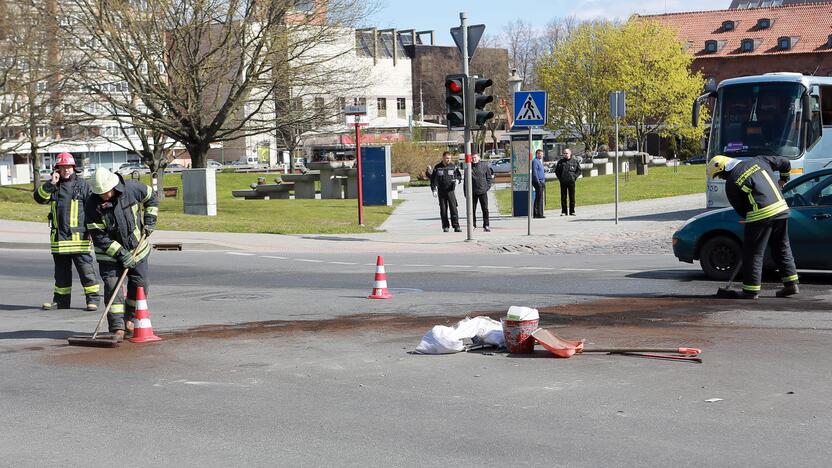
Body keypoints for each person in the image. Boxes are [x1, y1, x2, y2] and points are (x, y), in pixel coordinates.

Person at [708, 155, 798, 299]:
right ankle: (791, 284)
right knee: (782, 247)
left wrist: (750, 219)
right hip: (781, 210)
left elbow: (740, 208)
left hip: (760, 215)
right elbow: (785, 162)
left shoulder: (732, 182)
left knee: (753, 253)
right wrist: (783, 179)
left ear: (724, 168)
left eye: (720, 175)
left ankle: (750, 290)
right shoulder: (760, 160)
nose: (722, 178)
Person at [86, 168, 159, 339]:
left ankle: (130, 318)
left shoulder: (132, 188)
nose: (103, 196)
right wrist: (120, 254)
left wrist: (150, 220)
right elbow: (99, 237)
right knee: (113, 288)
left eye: (106, 192)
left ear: (113, 185)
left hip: (136, 249)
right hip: (109, 254)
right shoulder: (91, 204)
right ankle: (117, 327)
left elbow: (152, 198)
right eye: (100, 193)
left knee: (141, 284)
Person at [32, 152, 101, 311]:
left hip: (79, 238)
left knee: (86, 272)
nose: (66, 170)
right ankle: (61, 302)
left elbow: (93, 209)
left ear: (74, 168)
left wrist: (92, 230)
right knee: (61, 274)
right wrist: (50, 183)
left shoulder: (83, 185)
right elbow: (38, 198)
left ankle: (93, 300)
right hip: (59, 240)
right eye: (63, 168)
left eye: (69, 167)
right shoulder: (53, 186)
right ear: (57, 170)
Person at [430, 151, 462, 232]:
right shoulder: (437, 167)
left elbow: (458, 175)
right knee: (443, 210)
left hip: (450, 191)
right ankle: (445, 226)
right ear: (443, 157)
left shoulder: (453, 166)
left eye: (450, 158)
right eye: (447, 158)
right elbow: (433, 180)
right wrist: (434, 189)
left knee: (454, 209)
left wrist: (458, 180)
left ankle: (456, 226)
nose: (448, 160)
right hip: (441, 191)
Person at [465, 153, 494, 232]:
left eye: (475, 157)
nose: (473, 159)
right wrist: (466, 193)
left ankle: (486, 225)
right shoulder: (468, 166)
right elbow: (465, 181)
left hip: (482, 191)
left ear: (479, 158)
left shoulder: (484, 166)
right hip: (472, 192)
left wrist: (487, 187)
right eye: (472, 158)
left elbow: (489, 178)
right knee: (472, 210)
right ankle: (473, 225)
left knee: (485, 209)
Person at [555, 148, 581, 216]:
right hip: (563, 182)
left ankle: (572, 211)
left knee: (572, 197)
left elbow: (579, 170)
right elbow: (557, 171)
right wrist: (560, 178)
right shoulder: (560, 162)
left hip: (571, 181)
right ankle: (564, 211)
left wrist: (574, 177)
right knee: (563, 197)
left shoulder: (574, 161)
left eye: (566, 153)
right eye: (564, 153)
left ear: (570, 153)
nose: (565, 154)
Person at [531, 149, 546, 218]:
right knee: (539, 198)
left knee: (540, 197)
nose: (541, 155)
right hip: (538, 182)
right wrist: (538, 182)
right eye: (539, 154)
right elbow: (534, 172)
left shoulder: (539, 161)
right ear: (536, 154)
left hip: (541, 181)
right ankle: (537, 213)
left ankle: (539, 213)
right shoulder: (535, 161)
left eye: (542, 154)